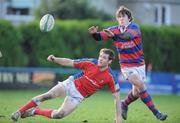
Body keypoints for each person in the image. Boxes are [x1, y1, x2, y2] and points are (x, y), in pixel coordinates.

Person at [88, 6, 167, 121]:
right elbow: (99, 37)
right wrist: (94, 34)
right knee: (140, 85)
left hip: (139, 64)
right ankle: (156, 113)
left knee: (136, 92)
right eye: (119, 17)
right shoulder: (114, 29)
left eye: (123, 16)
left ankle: (124, 104)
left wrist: (114, 36)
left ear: (129, 18)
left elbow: (127, 36)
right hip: (126, 66)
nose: (121, 18)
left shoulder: (134, 27)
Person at [11, 48, 122, 123]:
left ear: (110, 61)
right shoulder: (91, 62)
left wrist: (118, 116)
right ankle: (18, 112)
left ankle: (34, 111)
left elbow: (116, 98)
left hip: (79, 96)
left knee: (59, 115)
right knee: (48, 95)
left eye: (104, 57)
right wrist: (55, 59)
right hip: (71, 84)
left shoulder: (111, 77)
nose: (100, 59)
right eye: (100, 56)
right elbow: (69, 62)